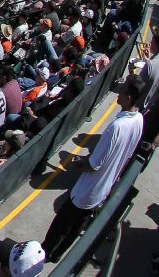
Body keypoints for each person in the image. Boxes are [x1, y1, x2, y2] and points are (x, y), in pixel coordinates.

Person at [42, 75, 144, 262]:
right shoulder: (139, 120)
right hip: (102, 189)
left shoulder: (116, 127)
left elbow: (93, 165)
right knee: (76, 228)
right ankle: (57, 255)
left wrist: (77, 164)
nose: (118, 92)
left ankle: (46, 252)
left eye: (122, 90)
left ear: (128, 97)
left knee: (61, 225)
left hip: (86, 190)